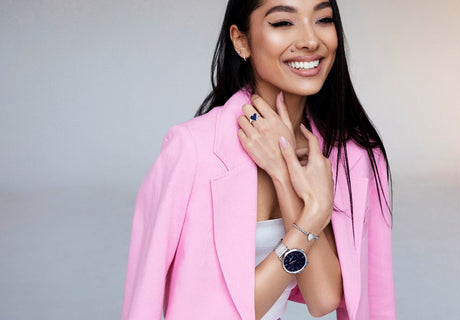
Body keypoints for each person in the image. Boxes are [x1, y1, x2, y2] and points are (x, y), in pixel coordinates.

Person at [122, 0, 395, 319]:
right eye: (283, 23)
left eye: (323, 19)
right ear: (241, 41)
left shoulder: (355, 155)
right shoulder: (192, 151)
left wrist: (284, 173)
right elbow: (160, 303)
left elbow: (324, 299)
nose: (310, 40)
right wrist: (310, 218)